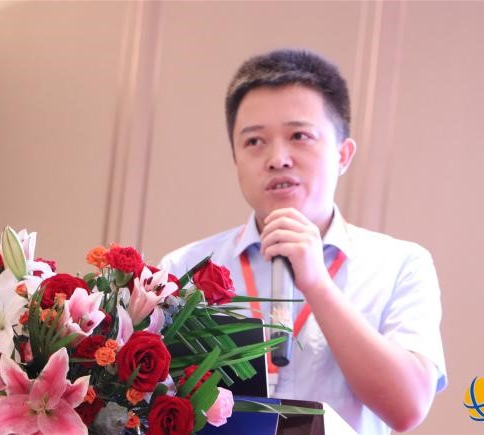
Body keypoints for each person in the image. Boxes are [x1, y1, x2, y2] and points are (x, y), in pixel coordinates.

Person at [159, 49, 447, 434]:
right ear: (235, 160)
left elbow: (407, 408)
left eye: (299, 136)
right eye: (254, 141)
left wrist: (316, 283)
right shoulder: (184, 268)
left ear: (343, 154)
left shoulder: (400, 264)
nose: (277, 158)